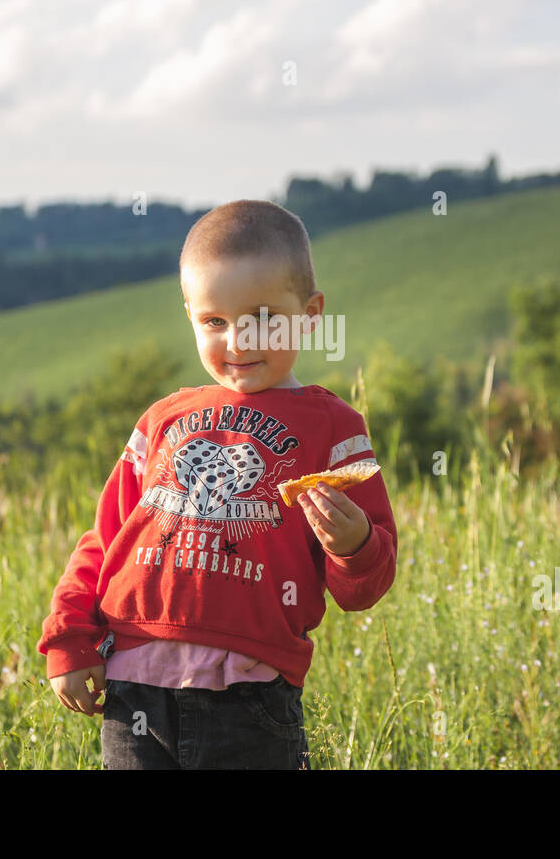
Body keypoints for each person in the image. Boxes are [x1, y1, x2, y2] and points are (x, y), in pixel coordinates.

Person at [37, 198, 398, 769]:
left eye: (262, 317)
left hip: (250, 702)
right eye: (214, 321)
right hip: (133, 695)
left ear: (310, 313)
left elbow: (363, 588)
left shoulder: (334, 430)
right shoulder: (163, 419)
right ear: (190, 317)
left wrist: (354, 544)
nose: (237, 340)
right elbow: (105, 540)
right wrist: (69, 638)